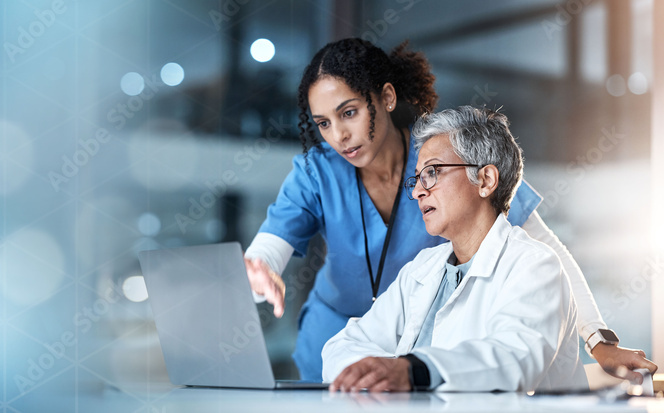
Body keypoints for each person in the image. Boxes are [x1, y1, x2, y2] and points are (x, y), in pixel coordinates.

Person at [242, 38, 657, 382]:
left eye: (348, 113)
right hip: (337, 333)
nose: (339, 136)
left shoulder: (447, 156)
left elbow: (548, 252)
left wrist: (598, 340)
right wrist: (259, 268)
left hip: (425, 353)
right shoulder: (318, 172)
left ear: (386, 97)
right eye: (323, 123)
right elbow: (270, 247)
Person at [321, 106, 587, 392]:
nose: (417, 191)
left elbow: (514, 359)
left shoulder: (534, 265)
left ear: (485, 180)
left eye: (432, 172)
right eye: (417, 178)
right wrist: (383, 373)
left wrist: (414, 371)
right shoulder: (422, 269)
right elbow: (341, 347)